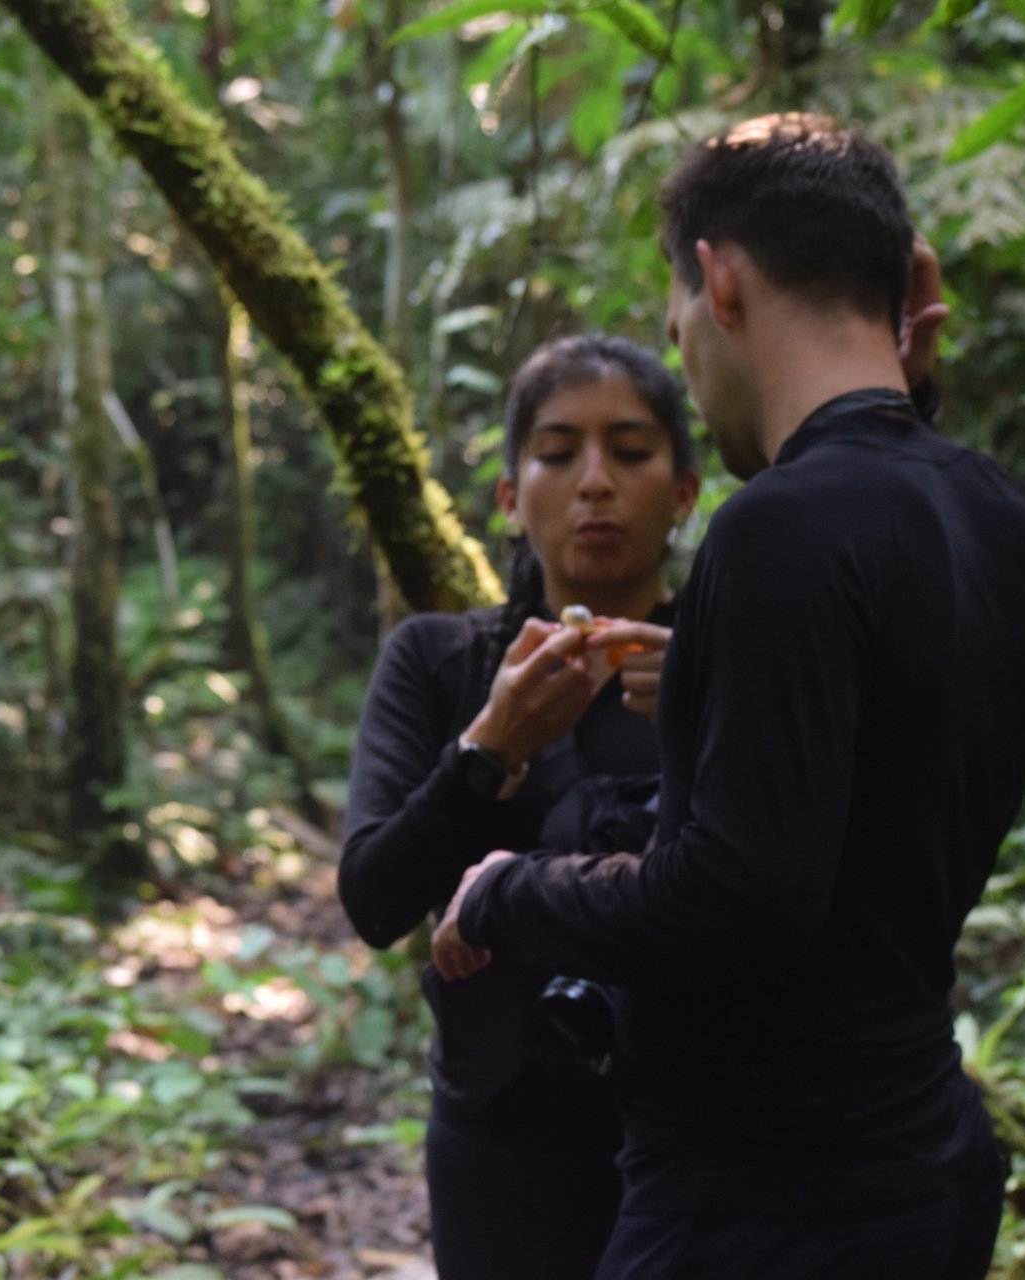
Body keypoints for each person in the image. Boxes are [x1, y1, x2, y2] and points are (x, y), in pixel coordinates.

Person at [432, 114, 1025, 1279]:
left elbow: (736, 893)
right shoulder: (1005, 516)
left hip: (760, 1200)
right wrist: (912, 403)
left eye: (677, 333)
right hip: (925, 1156)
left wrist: (510, 888)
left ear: (717, 282)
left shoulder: (779, 526)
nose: (688, 367)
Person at [339, 335, 700, 1279]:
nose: (594, 484)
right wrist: (490, 746)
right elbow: (374, 898)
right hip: (499, 1136)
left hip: (704, 1137)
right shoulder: (440, 661)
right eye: (555, 452)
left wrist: (707, 696)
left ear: (687, 490)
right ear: (508, 495)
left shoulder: (722, 661)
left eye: (630, 452)